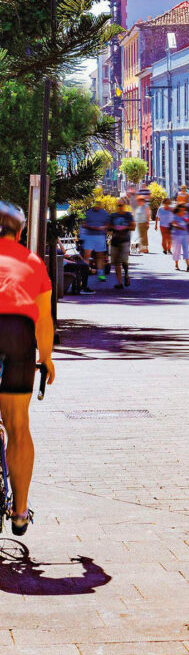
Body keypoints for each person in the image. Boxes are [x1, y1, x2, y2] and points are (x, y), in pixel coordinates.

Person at [0, 202, 55, 536]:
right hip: (19, 334)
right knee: (18, 426)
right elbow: (44, 322)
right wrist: (45, 358)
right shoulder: (33, 263)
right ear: (20, 233)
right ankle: (20, 511)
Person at [79, 201, 110, 283]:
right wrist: (91, 227)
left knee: (100, 256)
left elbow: (108, 224)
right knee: (87, 256)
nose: (97, 206)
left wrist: (102, 227)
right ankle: (85, 275)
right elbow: (83, 224)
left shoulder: (104, 213)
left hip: (100, 237)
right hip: (89, 236)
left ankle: (101, 275)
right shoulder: (88, 213)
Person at [109, 199, 134, 289]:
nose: (120, 207)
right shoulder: (113, 216)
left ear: (125, 206)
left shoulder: (128, 215)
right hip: (115, 240)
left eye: (121, 205)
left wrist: (125, 227)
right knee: (116, 263)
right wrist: (114, 227)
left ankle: (126, 274)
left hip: (125, 240)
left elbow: (133, 226)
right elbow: (108, 226)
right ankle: (119, 282)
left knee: (124, 260)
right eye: (118, 205)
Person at [170, 205, 189, 273]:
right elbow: (173, 224)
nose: (183, 211)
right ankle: (176, 265)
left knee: (186, 249)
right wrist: (179, 227)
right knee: (177, 250)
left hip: (186, 235)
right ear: (179, 209)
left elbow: (188, 222)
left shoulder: (186, 215)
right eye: (181, 210)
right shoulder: (175, 216)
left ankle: (188, 265)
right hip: (176, 235)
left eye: (184, 209)